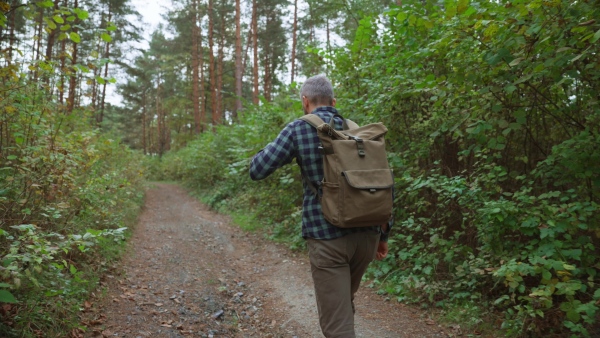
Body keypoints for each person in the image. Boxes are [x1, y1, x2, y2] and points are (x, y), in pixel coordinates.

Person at [249, 74, 391, 338]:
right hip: (367, 235)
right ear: (334, 101)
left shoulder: (299, 129)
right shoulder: (356, 129)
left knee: (336, 326)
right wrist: (384, 234)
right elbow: (377, 181)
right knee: (342, 306)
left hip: (327, 238)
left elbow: (257, 170)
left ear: (305, 102)